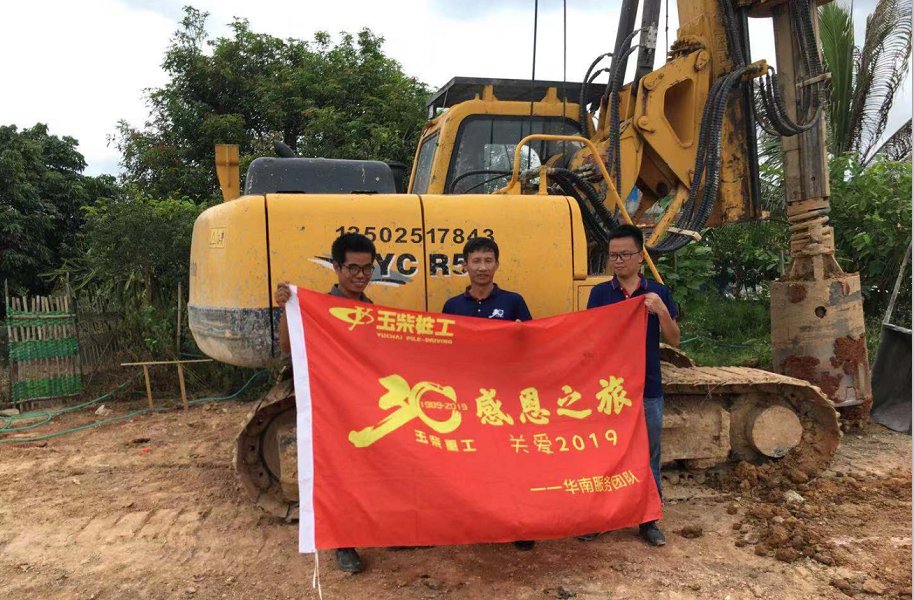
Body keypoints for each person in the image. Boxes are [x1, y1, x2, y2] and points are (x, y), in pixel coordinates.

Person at [275, 232, 377, 573]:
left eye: (367, 268)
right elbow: (288, 347)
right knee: (338, 475)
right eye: (353, 268)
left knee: (369, 472)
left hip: (363, 405)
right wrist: (286, 308)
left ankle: (378, 530)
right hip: (331, 408)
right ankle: (343, 544)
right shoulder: (317, 308)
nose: (360, 275)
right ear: (337, 267)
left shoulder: (371, 311)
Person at [586, 224, 680, 547]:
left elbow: (674, 339)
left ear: (640, 256)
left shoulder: (657, 293)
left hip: (647, 388)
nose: (618, 261)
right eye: (613, 255)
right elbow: (589, 338)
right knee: (606, 454)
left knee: (649, 454)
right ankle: (601, 517)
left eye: (625, 254)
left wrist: (661, 311)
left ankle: (648, 520)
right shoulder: (600, 294)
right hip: (610, 391)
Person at [442, 236, 535, 551]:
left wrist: (523, 334)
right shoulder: (453, 306)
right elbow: (444, 351)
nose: (482, 267)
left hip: (505, 401)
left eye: (488, 261)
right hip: (468, 400)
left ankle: (518, 524)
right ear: (465, 265)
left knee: (511, 463)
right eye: (476, 261)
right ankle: (478, 522)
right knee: (473, 463)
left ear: (497, 264)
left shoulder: (513, 302)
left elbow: (535, 346)